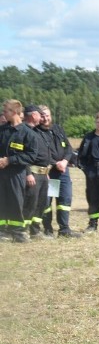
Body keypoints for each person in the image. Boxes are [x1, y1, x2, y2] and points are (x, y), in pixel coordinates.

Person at [37, 105, 83, 239]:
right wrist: (55, 163)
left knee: (65, 199)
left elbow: (68, 148)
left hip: (63, 171)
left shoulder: (58, 129)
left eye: (47, 115)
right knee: (47, 202)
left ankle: (64, 229)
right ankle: (47, 229)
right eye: (42, 116)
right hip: (48, 172)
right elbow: (40, 154)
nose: (45, 118)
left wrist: (64, 161)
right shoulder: (36, 132)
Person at [0, 99, 40, 243]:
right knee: (2, 201)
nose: (3, 113)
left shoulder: (28, 134)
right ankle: (2, 231)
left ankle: (17, 232)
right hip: (1, 173)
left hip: (16, 173)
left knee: (16, 201)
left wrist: (9, 160)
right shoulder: (2, 130)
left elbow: (31, 155)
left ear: (14, 112)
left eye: (6, 111)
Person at [21, 104, 51, 240]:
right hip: (33, 173)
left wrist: (46, 171)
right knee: (30, 203)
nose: (42, 118)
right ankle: (22, 231)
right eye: (40, 115)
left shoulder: (37, 131)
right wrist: (28, 173)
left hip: (43, 174)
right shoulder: (24, 131)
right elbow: (22, 154)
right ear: (34, 115)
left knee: (41, 203)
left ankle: (35, 230)